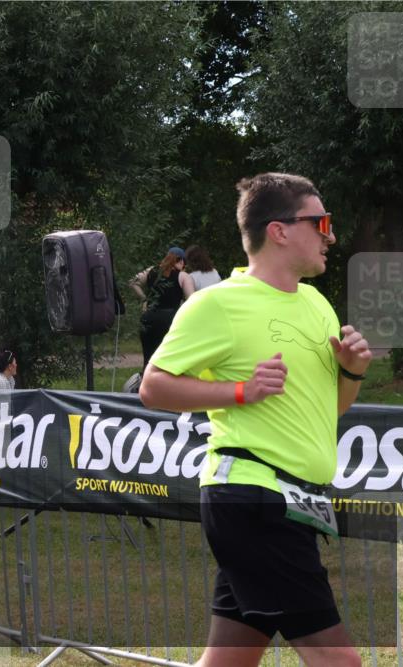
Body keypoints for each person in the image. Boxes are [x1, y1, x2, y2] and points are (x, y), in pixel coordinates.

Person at [140, 173, 369, 667]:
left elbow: (334, 408)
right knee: (339, 661)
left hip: (292, 503)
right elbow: (153, 387)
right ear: (280, 230)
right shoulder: (218, 303)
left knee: (228, 661)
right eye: (321, 222)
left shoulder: (317, 304)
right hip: (254, 498)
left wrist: (352, 371)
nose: (330, 234)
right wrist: (240, 391)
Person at [129, 247, 194, 368]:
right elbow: (192, 301)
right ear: (181, 261)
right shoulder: (183, 276)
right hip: (169, 320)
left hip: (148, 318)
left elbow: (133, 282)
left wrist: (144, 299)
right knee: (168, 360)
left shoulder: (151, 271)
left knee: (148, 359)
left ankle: (146, 383)